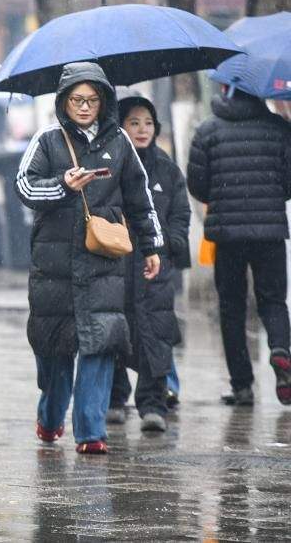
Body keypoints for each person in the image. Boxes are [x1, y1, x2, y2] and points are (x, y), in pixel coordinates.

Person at [15, 62, 163, 455]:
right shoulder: (47, 139)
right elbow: (25, 187)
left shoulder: (120, 142)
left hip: (103, 264)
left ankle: (91, 432)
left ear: (104, 102)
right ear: (64, 101)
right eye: (77, 100)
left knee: (100, 345)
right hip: (55, 267)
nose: (84, 107)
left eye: (92, 100)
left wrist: (152, 246)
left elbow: (140, 198)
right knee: (55, 351)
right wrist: (62, 185)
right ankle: (50, 418)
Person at [187, 85, 291, 406]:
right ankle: (280, 349)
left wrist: (223, 196)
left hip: (227, 234)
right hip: (270, 232)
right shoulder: (279, 128)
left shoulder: (207, 130)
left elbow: (197, 186)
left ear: (224, 88)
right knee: (273, 300)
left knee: (231, 307)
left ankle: (242, 385)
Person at [106, 94, 190, 432]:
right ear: (121, 127)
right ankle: (114, 399)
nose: (142, 129)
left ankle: (153, 405)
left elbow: (180, 212)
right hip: (118, 263)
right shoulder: (110, 166)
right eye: (134, 122)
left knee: (156, 332)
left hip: (155, 266)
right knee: (115, 331)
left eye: (148, 123)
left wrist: (170, 243)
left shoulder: (166, 169)